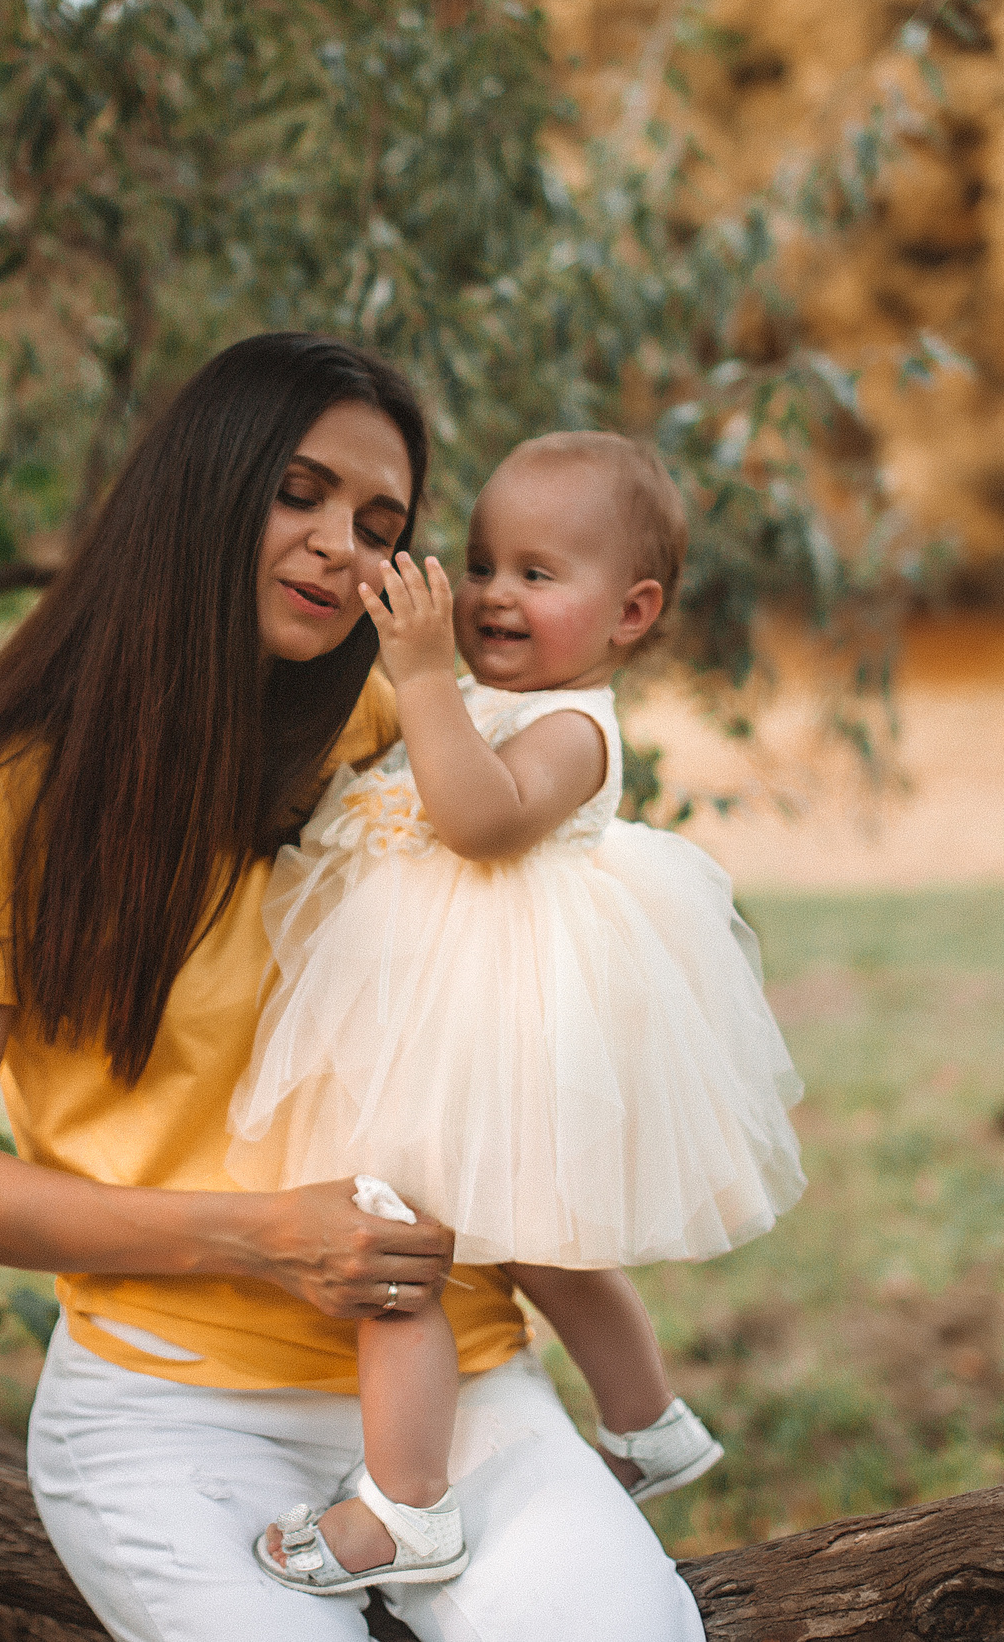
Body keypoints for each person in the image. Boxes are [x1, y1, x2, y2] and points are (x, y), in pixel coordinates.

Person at [0, 336, 703, 1641]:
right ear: (201, 489)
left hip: (461, 1385)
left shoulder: (383, 727)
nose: (339, 547)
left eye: (379, 523)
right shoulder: (19, 799)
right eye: (296, 492)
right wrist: (260, 1234)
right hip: (170, 1400)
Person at [227, 432, 805, 1594]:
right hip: (440, 1009)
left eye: (538, 575)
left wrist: (425, 679)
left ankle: (407, 1509)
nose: (493, 593)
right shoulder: (498, 699)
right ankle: (650, 1426)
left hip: (486, 1017)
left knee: (397, 1249)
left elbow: (480, 822)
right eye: (484, 561)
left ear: (629, 612)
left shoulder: (572, 728)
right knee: (538, 1242)